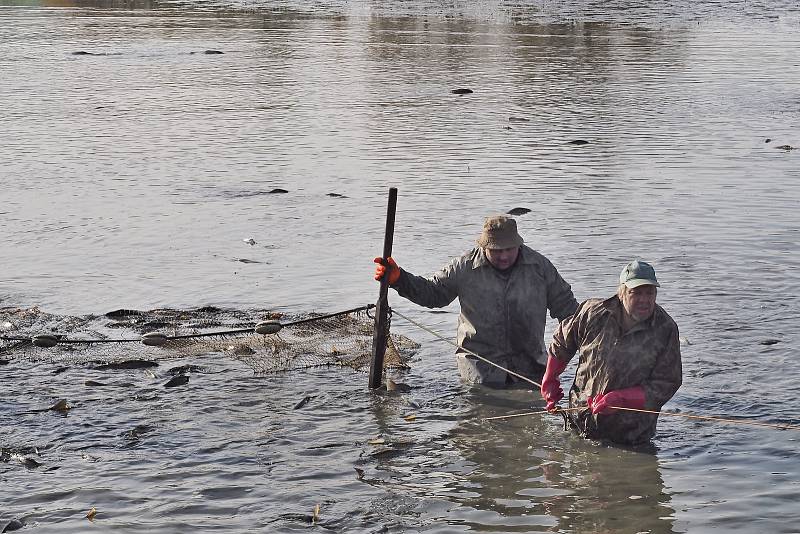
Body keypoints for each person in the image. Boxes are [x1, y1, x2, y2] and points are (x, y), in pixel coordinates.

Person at [374, 215, 578, 387]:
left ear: (518, 244)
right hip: (479, 373)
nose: (504, 256)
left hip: (531, 368)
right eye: (496, 250)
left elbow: (569, 311)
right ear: (484, 246)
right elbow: (433, 293)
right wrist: (400, 279)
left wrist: (591, 340)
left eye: (509, 249)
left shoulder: (540, 268)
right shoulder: (464, 267)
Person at [539, 260, 682, 445]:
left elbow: (667, 383)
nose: (645, 300)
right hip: (581, 421)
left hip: (632, 435)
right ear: (621, 292)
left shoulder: (665, 329)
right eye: (636, 293)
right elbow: (562, 342)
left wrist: (622, 398)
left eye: (650, 292)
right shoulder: (592, 313)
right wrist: (550, 379)